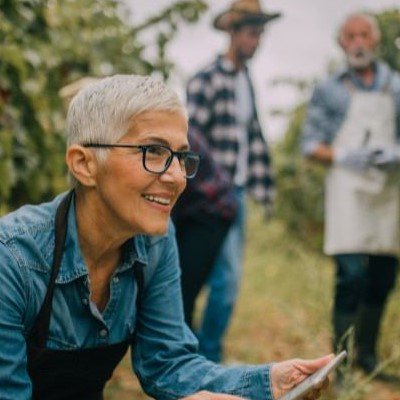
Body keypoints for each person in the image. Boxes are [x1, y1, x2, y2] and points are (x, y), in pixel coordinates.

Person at [0, 74, 334, 399]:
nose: (176, 177)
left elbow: (168, 364)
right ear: (84, 164)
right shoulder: (12, 260)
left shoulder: (154, 242)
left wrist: (268, 382)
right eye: (153, 152)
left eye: (181, 156)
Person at [302, 13, 400, 376]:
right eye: (350, 36)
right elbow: (310, 144)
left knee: (383, 276)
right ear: (342, 43)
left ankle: (368, 358)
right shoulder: (328, 89)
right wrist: (345, 155)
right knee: (352, 275)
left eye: (364, 35)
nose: (358, 42)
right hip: (348, 191)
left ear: (375, 41)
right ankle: (338, 365)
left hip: (388, 193)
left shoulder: (396, 86)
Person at [186, 0, 279, 363]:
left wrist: (264, 189)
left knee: (222, 281)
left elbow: (252, 139)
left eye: (260, 34)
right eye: (253, 34)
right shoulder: (206, 78)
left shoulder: (245, 82)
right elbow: (192, 139)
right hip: (209, 198)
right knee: (216, 280)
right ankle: (204, 356)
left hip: (236, 194)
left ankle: (202, 353)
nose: (257, 42)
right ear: (234, 33)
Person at [173, 128, 237, 329]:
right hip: (188, 210)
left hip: (211, 211)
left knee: (182, 293)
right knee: (177, 291)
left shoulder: (173, 131)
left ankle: (183, 354)